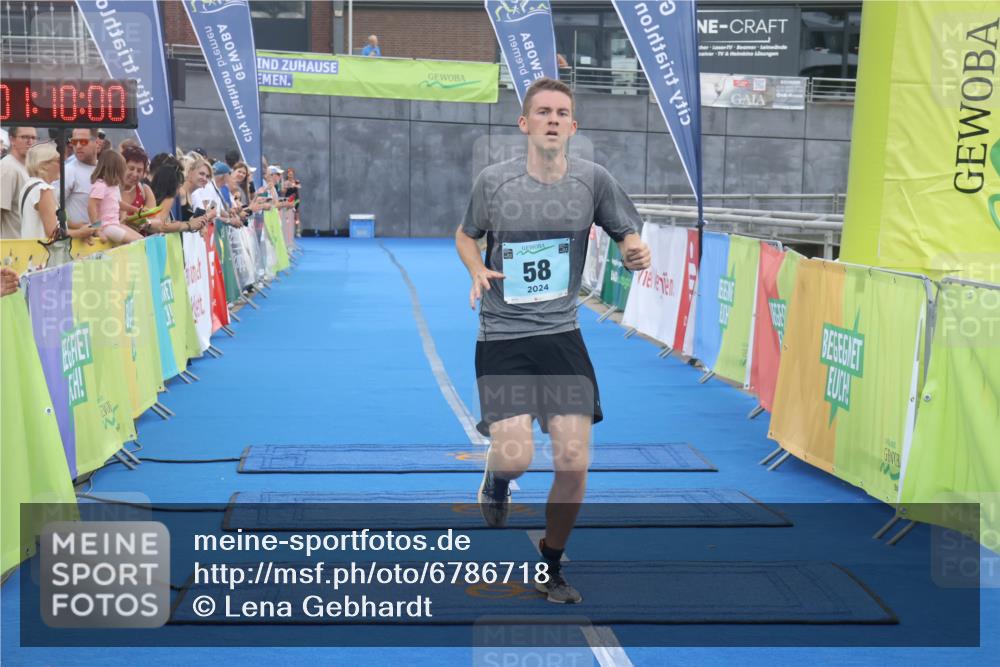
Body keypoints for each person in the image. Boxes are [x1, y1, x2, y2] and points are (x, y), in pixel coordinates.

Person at [455, 77, 650, 604]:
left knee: (573, 462)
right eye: (542, 111)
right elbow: (466, 233)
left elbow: (625, 229)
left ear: (573, 126)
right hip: (503, 335)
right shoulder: (494, 183)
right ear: (525, 123)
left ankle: (552, 564)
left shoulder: (593, 180)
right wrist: (475, 269)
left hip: (562, 335)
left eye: (562, 112)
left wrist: (634, 248)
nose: (553, 119)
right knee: (517, 456)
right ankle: (497, 481)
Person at [19, 141, 96, 243]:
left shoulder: (29, 186)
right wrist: (80, 233)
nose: (62, 165)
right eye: (58, 161)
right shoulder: (44, 189)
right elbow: (52, 232)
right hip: (45, 254)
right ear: (44, 164)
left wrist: (78, 228)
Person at [88, 149, 141, 245]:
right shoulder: (100, 185)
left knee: (142, 239)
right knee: (136, 242)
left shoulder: (114, 186)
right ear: (114, 170)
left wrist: (135, 209)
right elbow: (92, 206)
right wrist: (97, 229)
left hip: (115, 224)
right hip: (106, 227)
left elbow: (118, 203)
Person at [61, 128, 101, 235]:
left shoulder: (106, 169)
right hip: (78, 245)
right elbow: (52, 209)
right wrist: (79, 227)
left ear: (97, 143)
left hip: (105, 241)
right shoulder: (68, 170)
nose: (78, 146)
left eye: (83, 142)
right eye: (74, 142)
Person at [1, 126, 36, 238]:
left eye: (33, 138)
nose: (30, 142)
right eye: (24, 137)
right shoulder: (7, 168)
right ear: (12, 140)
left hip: (28, 245)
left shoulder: (29, 167)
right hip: (13, 247)